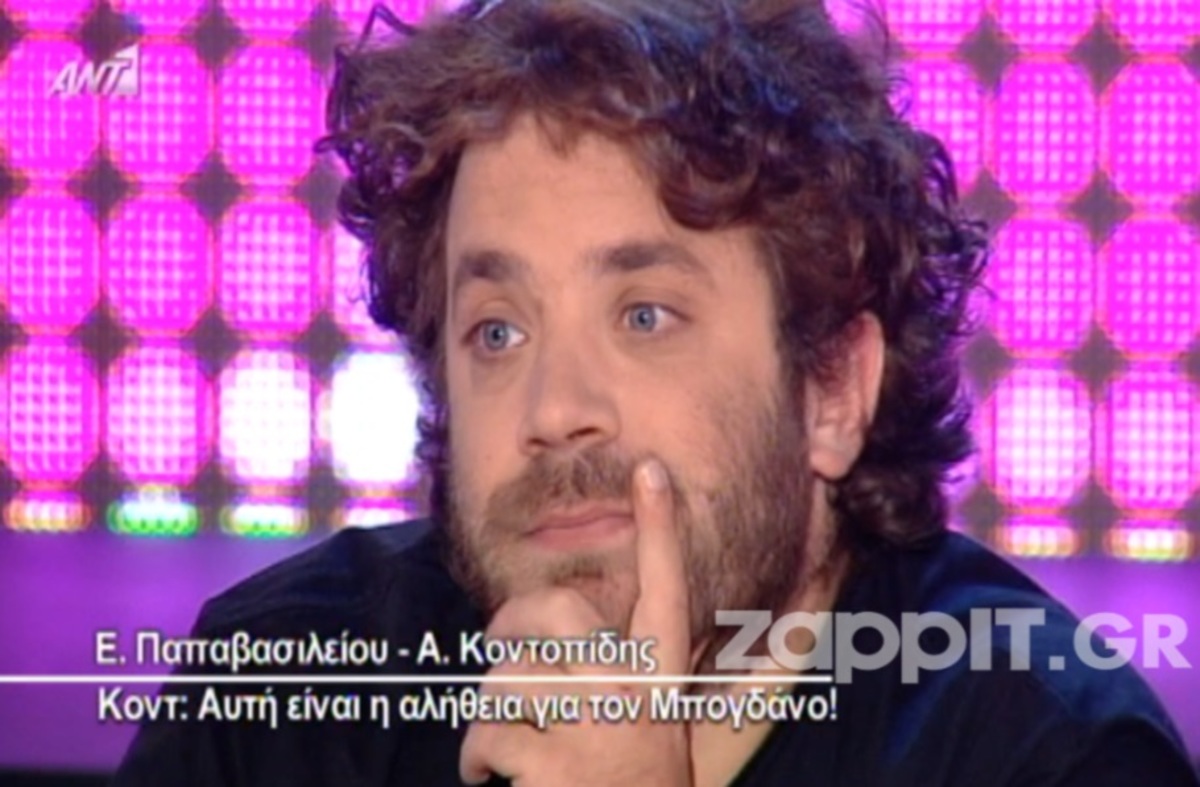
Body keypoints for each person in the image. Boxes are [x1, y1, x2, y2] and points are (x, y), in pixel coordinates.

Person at [113, 0, 1199, 785]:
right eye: (497, 331)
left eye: (643, 315)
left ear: (831, 387)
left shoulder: (1044, 750)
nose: (553, 409)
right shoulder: (279, 699)